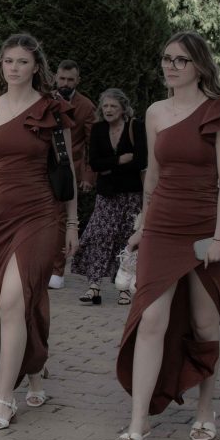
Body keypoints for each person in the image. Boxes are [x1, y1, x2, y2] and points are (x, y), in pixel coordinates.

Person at [115, 32, 220, 440]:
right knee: (150, 318)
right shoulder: (154, 113)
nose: (170, 67)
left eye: (180, 60)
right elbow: (152, 177)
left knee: (205, 323)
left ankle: (205, 408)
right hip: (162, 228)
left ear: (199, 66)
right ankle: (138, 425)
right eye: (166, 59)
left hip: (207, 228)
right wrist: (141, 224)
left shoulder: (219, 114)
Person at [0, 34, 78, 430]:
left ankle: (5, 400)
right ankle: (35, 369)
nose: (14, 68)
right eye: (8, 61)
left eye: (22, 62)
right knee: (21, 301)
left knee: (11, 302)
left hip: (41, 214)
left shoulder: (53, 111)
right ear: (1, 65)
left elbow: (67, 171)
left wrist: (72, 224)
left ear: (36, 67)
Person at [71, 88, 147, 305]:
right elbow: (94, 163)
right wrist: (119, 161)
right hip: (106, 195)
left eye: (113, 106)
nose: (109, 110)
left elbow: (141, 161)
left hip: (131, 195)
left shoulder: (136, 126)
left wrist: (109, 166)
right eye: (105, 106)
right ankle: (93, 286)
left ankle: (123, 288)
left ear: (123, 108)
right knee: (99, 236)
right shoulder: (98, 129)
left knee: (126, 239)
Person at [49, 60, 95, 289]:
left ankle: (57, 271)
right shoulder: (44, 100)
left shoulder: (86, 106)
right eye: (62, 78)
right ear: (56, 77)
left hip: (69, 172)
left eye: (70, 79)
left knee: (61, 221)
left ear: (77, 80)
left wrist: (88, 175)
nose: (65, 83)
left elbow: (91, 144)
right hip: (43, 170)